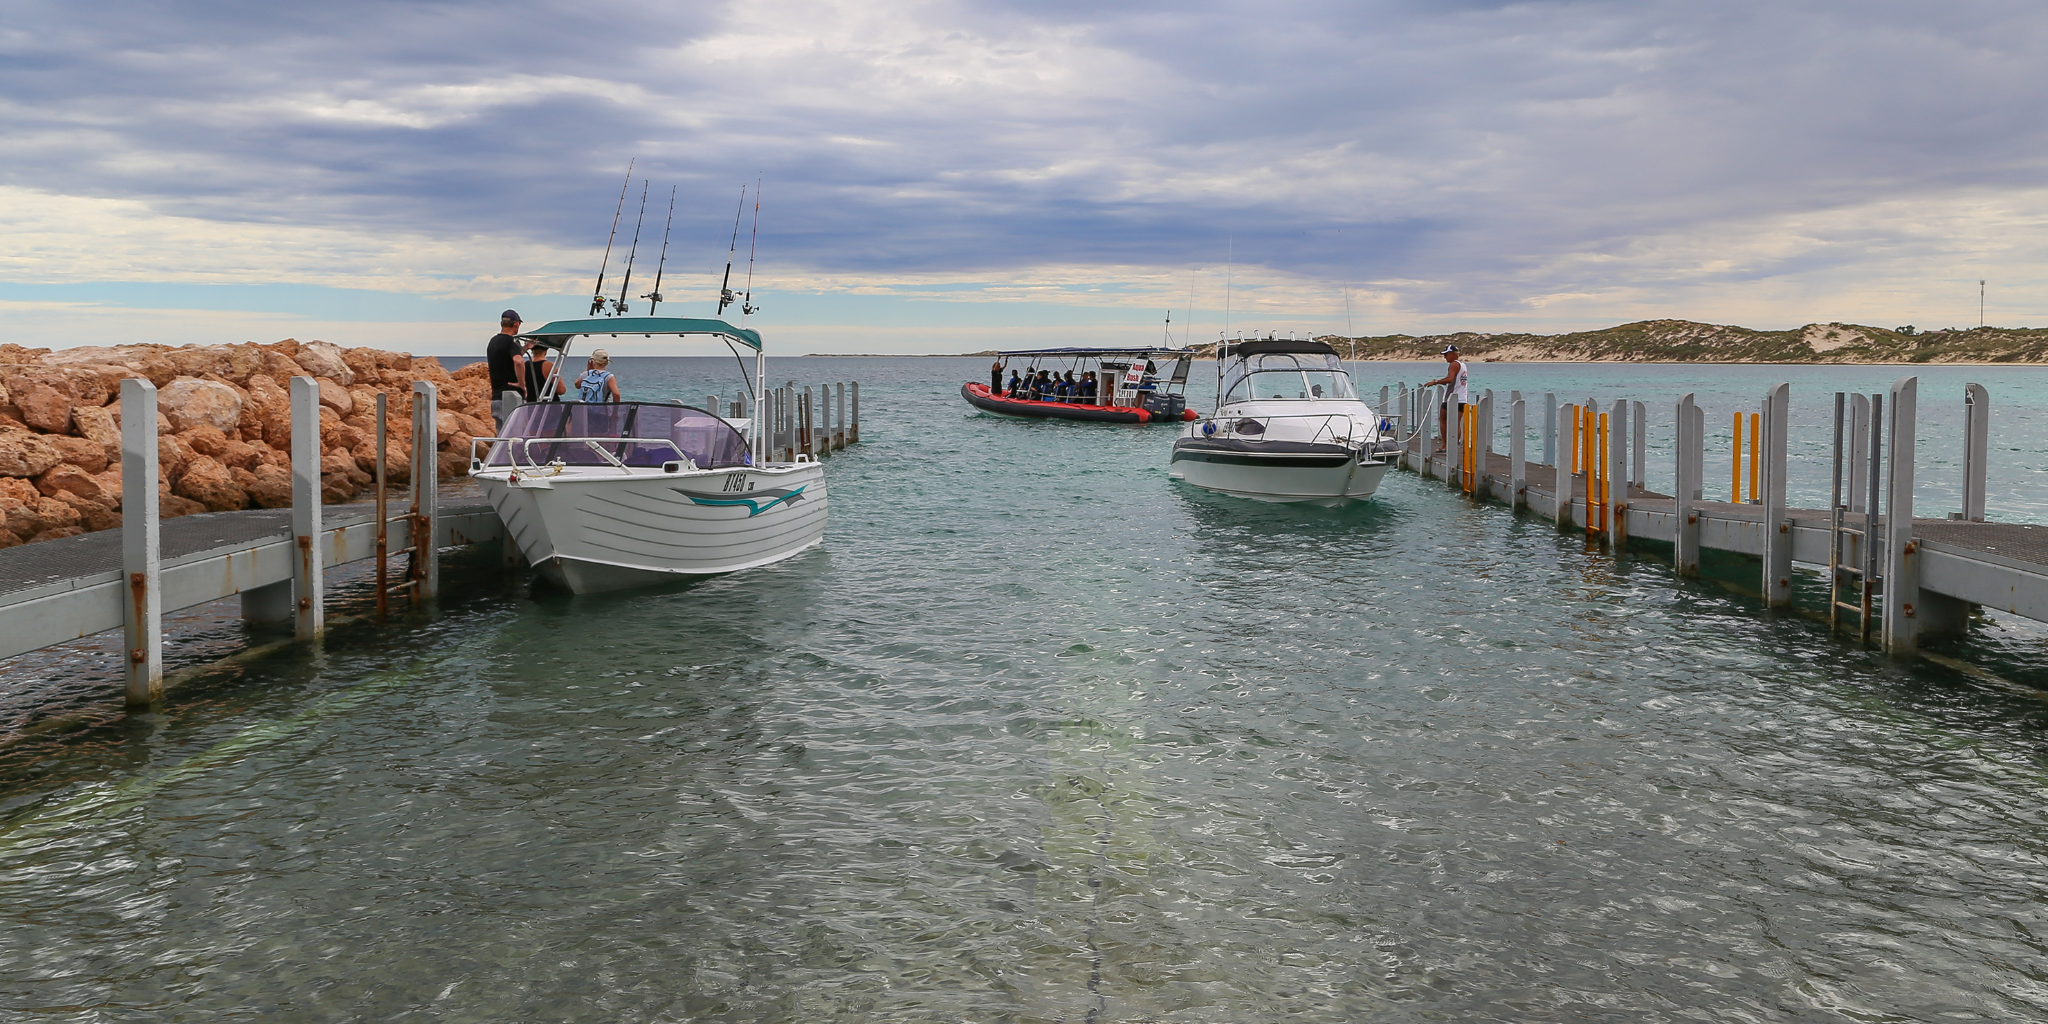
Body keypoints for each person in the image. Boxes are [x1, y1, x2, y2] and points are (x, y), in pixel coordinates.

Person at [1421, 344, 1468, 452]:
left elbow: (1450, 379)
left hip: (1451, 398)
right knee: (1456, 423)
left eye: (1446, 354)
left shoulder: (1453, 364)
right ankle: (1454, 445)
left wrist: (1435, 382)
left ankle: (1445, 446)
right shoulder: (1463, 365)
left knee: (1443, 420)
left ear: (1452, 354)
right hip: (1462, 398)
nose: (1445, 357)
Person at [486, 309, 527, 425]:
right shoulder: (511, 342)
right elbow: (518, 361)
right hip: (512, 397)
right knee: (515, 434)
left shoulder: (493, 341)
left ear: (501, 324)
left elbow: (507, 357)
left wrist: (527, 347)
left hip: (497, 397)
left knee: (501, 435)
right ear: (516, 324)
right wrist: (522, 384)